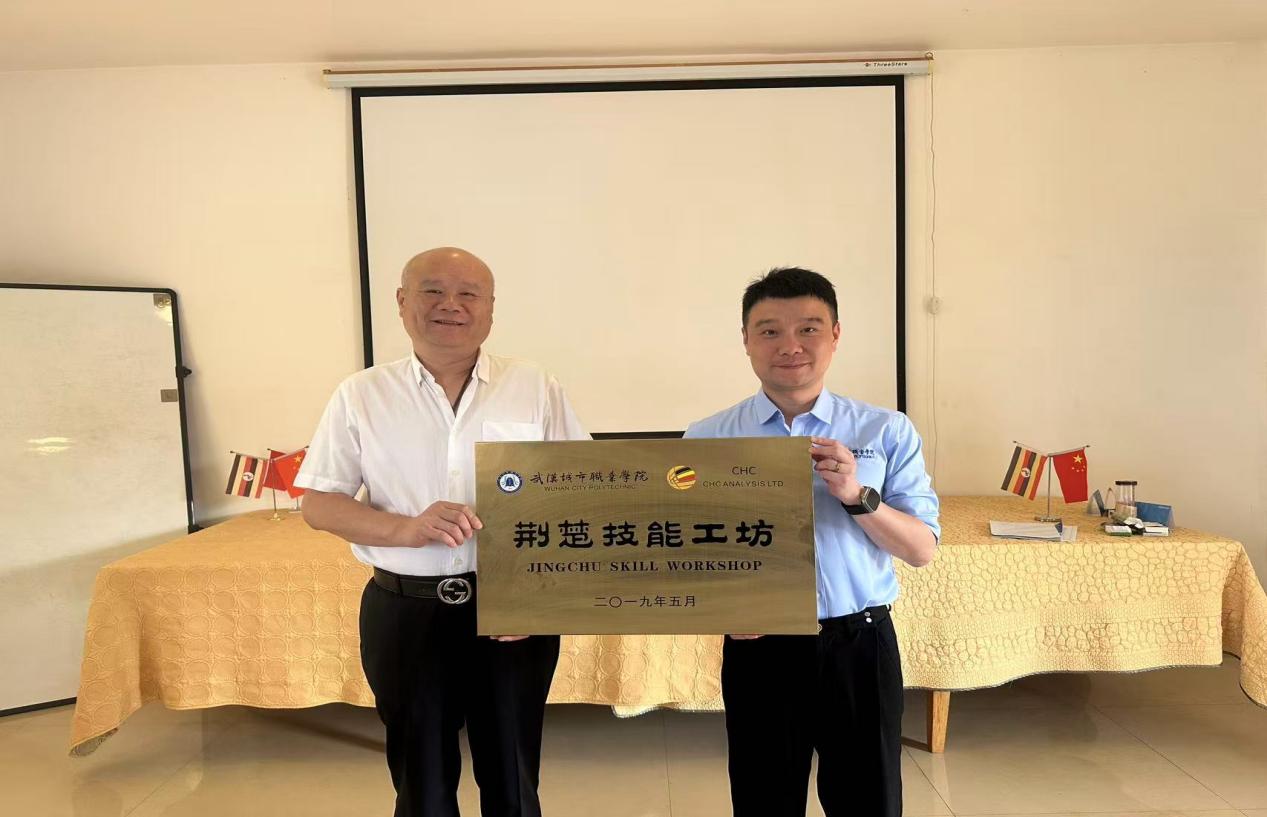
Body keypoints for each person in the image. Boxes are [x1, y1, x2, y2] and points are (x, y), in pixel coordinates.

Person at [295, 247, 587, 817]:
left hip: (512, 612)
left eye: (468, 293)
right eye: (433, 290)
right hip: (405, 612)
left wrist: (538, 597)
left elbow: (578, 489)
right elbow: (319, 504)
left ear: (491, 308)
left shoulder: (534, 385)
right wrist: (404, 528)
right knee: (421, 784)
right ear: (402, 302)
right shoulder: (361, 393)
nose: (450, 305)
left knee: (513, 779)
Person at [684, 266, 939, 817]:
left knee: (869, 800)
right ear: (746, 340)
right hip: (760, 648)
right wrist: (721, 605)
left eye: (808, 329)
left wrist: (856, 495)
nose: (790, 345)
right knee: (763, 799)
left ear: (835, 335)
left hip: (858, 643)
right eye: (770, 330)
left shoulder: (884, 430)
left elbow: (921, 549)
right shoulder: (706, 438)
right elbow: (687, 551)